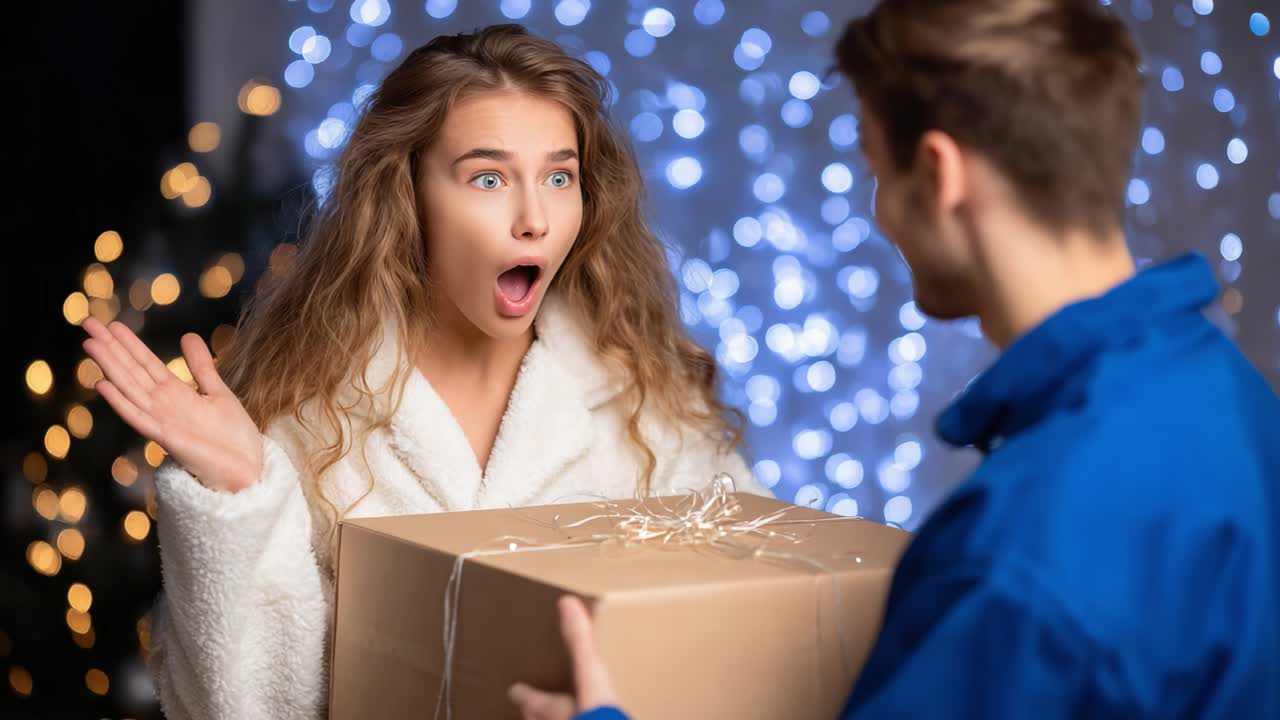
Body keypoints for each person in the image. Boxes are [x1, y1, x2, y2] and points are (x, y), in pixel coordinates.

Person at [510, 1, 1280, 718]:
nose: (879, 210)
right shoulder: (1232, 395)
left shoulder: (1015, 558)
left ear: (939, 174)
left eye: (878, 168)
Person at [81, 24, 769, 720]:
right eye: (489, 178)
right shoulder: (311, 420)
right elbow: (251, 707)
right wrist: (238, 495)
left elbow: (747, 643)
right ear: (408, 196)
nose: (534, 218)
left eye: (560, 177)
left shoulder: (649, 409)